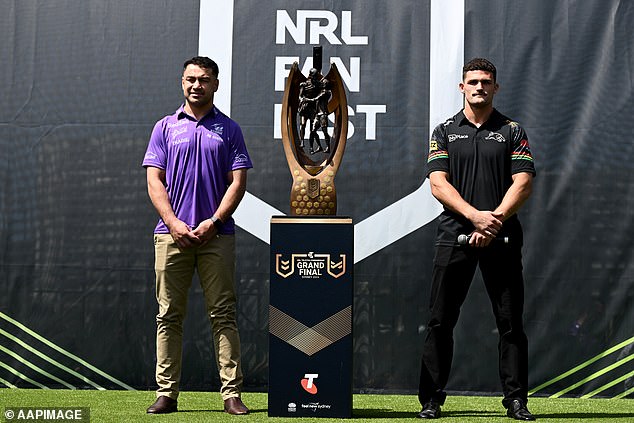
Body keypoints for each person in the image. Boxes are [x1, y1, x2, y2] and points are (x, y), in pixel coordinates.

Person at [418, 58, 536, 421]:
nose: (479, 87)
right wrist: (474, 217)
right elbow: (438, 184)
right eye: (473, 82)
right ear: (462, 87)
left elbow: (524, 182)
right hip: (454, 236)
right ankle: (431, 400)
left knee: (511, 323)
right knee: (440, 320)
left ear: (496, 88)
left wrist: (494, 220)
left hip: (500, 237)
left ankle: (516, 401)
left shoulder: (512, 131)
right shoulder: (444, 131)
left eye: (486, 82)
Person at [142, 56, 253, 415]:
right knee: (168, 315)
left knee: (223, 314)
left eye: (204, 80)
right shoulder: (164, 128)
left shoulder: (230, 129)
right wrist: (174, 223)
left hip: (216, 238)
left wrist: (214, 222)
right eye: (190, 79)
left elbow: (238, 183)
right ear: (182, 82)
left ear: (215, 85)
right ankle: (166, 393)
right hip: (170, 235)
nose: (196, 86)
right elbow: (154, 180)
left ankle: (231, 394)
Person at [298, 68, 331, 154]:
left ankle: (321, 147)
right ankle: (303, 141)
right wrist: (302, 100)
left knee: (315, 130)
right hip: (305, 108)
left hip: (315, 110)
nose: (315, 78)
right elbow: (300, 96)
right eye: (314, 76)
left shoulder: (321, 88)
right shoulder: (304, 85)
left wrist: (308, 99)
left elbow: (324, 87)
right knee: (303, 125)